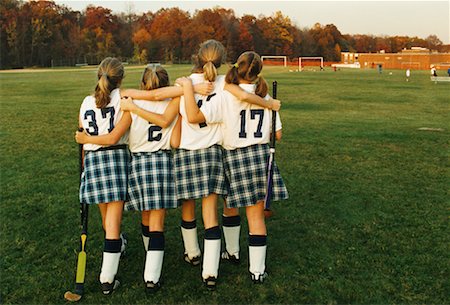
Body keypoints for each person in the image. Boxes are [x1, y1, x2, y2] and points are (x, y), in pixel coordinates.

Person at [124, 40, 280, 289]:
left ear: (196, 56)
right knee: (210, 215)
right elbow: (245, 95)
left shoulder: (185, 82)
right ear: (221, 60)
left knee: (188, 207)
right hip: (212, 153)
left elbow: (156, 96)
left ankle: (192, 252)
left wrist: (131, 95)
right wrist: (270, 104)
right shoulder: (226, 84)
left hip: (186, 152)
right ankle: (210, 272)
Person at [77, 64, 187, 292]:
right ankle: (150, 277)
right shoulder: (127, 99)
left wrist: (83, 141)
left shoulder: (105, 101)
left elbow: (90, 132)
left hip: (105, 162)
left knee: (111, 223)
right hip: (139, 161)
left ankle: (108, 276)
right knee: (152, 224)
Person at [182, 51, 289, 284]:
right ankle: (256, 271)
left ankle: (233, 251)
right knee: (256, 217)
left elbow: (197, 116)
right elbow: (277, 134)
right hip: (261, 156)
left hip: (235, 157)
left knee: (231, 205)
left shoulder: (225, 95)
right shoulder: (265, 95)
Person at [75, 57, 131, 295]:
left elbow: (82, 137)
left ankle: (117, 243)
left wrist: (87, 141)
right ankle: (107, 280)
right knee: (112, 222)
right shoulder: (126, 99)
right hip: (115, 159)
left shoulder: (86, 102)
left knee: (108, 218)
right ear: (120, 79)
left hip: (93, 161)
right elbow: (112, 139)